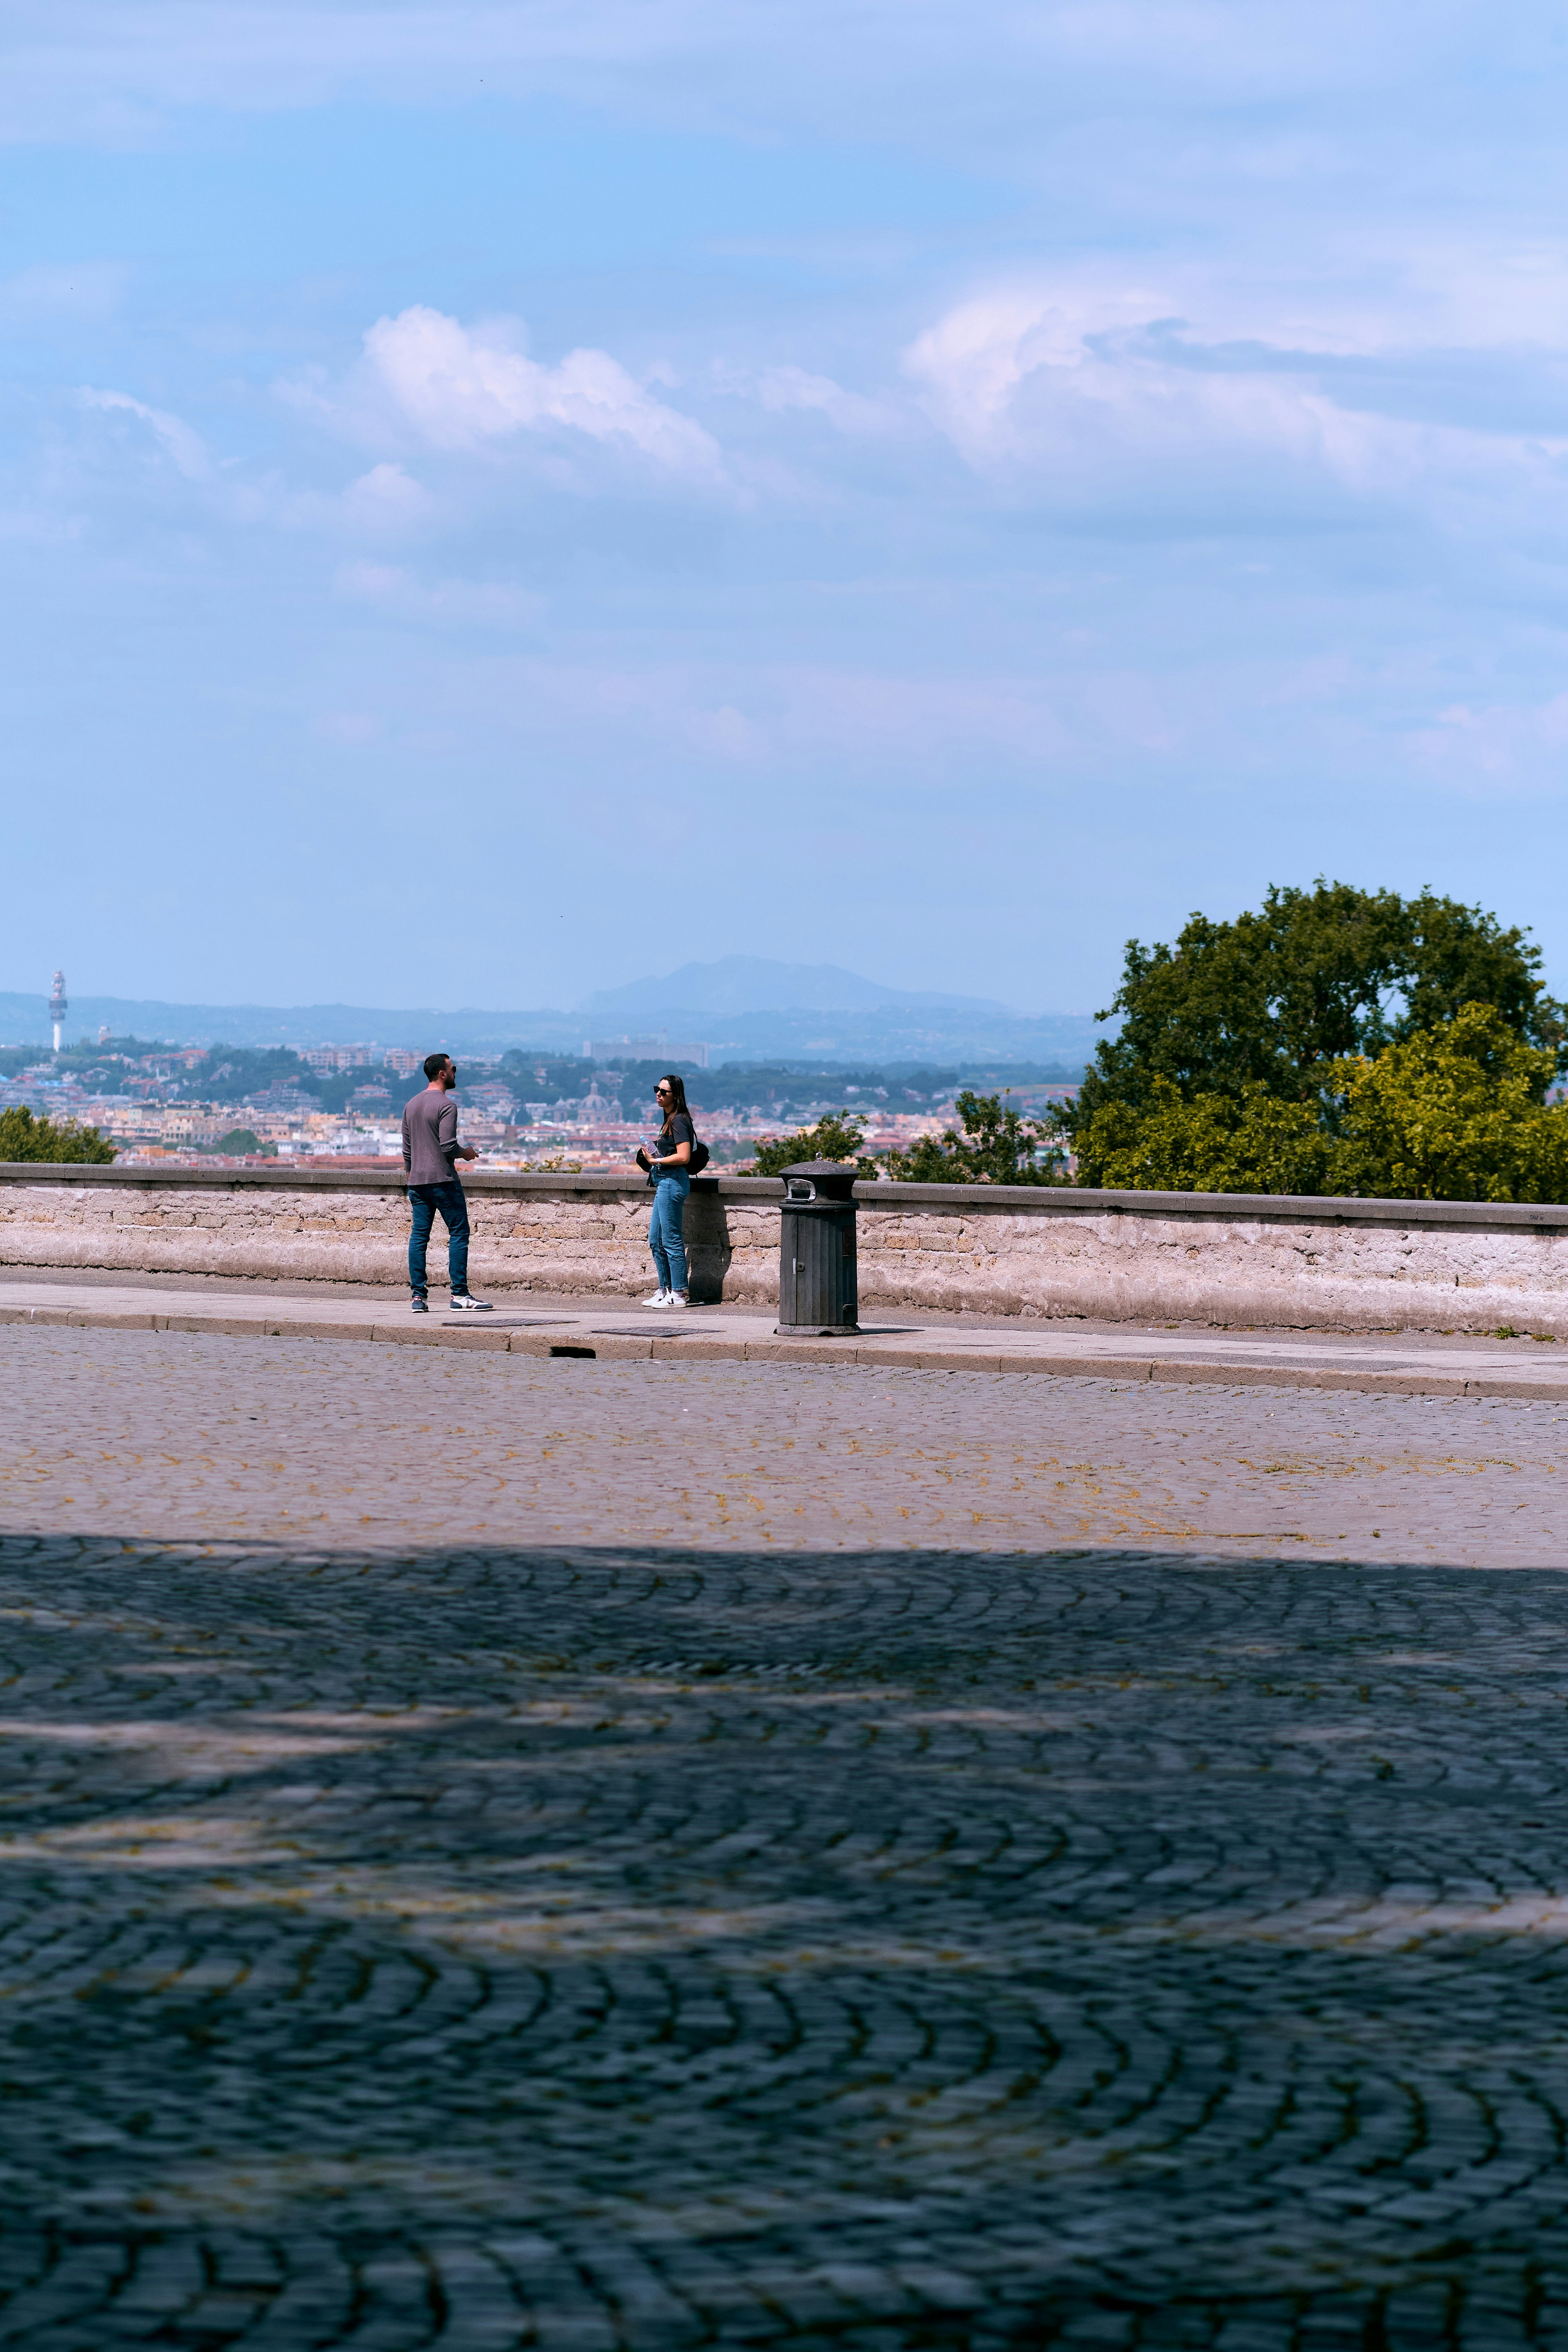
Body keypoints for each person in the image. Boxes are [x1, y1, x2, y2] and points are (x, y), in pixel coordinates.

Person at [402, 1053, 492, 1313]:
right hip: (442, 1179)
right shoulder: (447, 1105)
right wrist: (467, 1152)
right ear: (442, 1074)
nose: (456, 1073)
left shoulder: (411, 1105)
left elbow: (407, 1151)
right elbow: (448, 1146)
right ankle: (460, 1295)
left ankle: (418, 1298)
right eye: (454, 1069)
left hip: (417, 1182)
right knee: (459, 1233)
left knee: (419, 1238)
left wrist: (412, 1178)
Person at [636, 1073, 694, 1308]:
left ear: (676, 1096)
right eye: (657, 1089)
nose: (658, 1094)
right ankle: (665, 1289)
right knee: (655, 1240)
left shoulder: (679, 1120)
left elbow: (684, 1156)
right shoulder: (669, 1119)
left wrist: (656, 1161)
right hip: (664, 1182)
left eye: (664, 1092)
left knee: (671, 1239)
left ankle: (679, 1293)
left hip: (672, 1182)